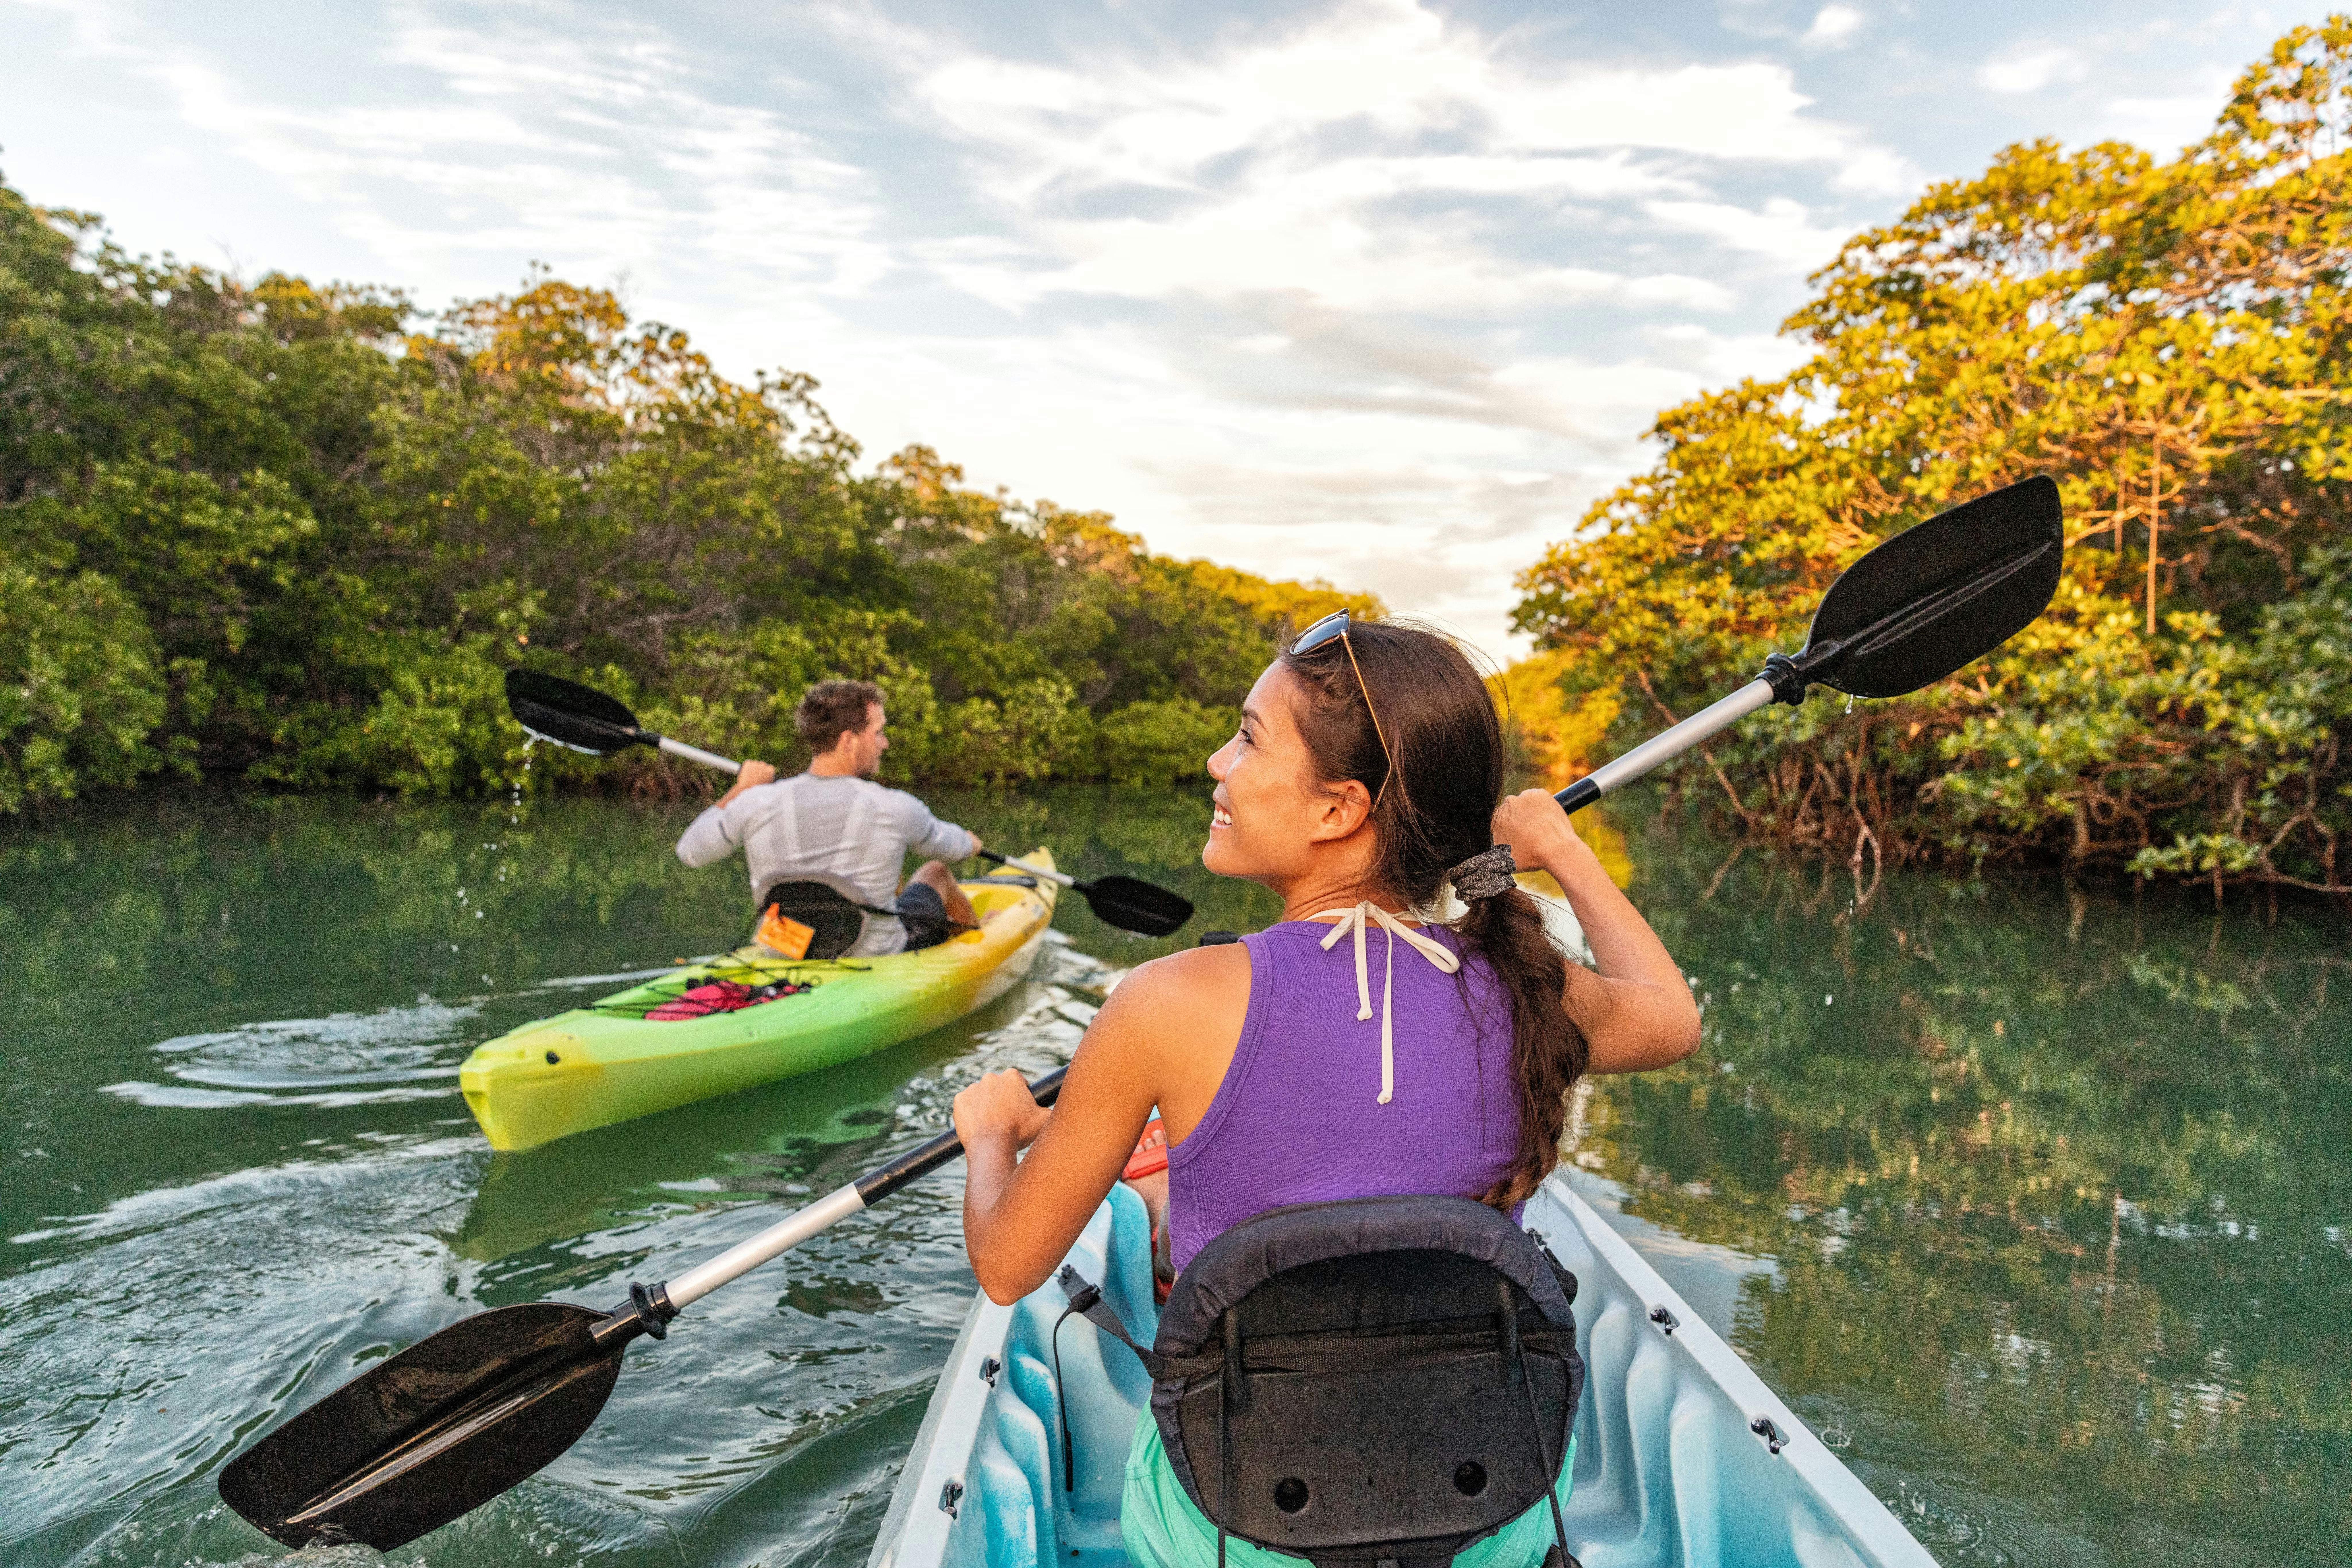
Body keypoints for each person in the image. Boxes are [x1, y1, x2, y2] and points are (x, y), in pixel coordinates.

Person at [949, 615, 1700, 1568]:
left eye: (1249, 738)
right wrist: (1556, 848)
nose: (1218, 764)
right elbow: (1672, 1014)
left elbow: (1009, 1268)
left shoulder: (1165, 1003)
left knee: (1158, 1211)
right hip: (1487, 1520)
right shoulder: (1529, 988)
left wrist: (991, 1136)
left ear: (1340, 808)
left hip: (1235, 1534)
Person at [674, 679, 984, 956]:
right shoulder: (895, 807)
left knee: (896, 883)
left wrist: (741, 789)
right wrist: (970, 843)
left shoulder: (756, 801)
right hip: (871, 953)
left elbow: (690, 852)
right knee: (935, 873)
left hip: (783, 951)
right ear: (849, 741)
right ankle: (980, 940)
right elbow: (952, 847)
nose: (884, 744)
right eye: (878, 733)